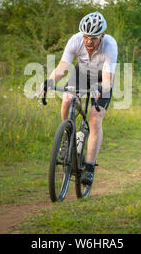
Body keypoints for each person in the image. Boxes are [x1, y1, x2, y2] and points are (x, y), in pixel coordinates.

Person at [41, 12, 118, 186]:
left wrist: (101, 88)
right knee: (67, 98)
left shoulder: (110, 45)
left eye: (93, 38)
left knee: (95, 119)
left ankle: (89, 167)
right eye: (86, 37)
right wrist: (50, 81)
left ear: (102, 36)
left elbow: (107, 80)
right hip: (82, 73)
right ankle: (67, 138)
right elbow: (62, 68)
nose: (89, 41)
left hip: (101, 78)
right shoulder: (75, 40)